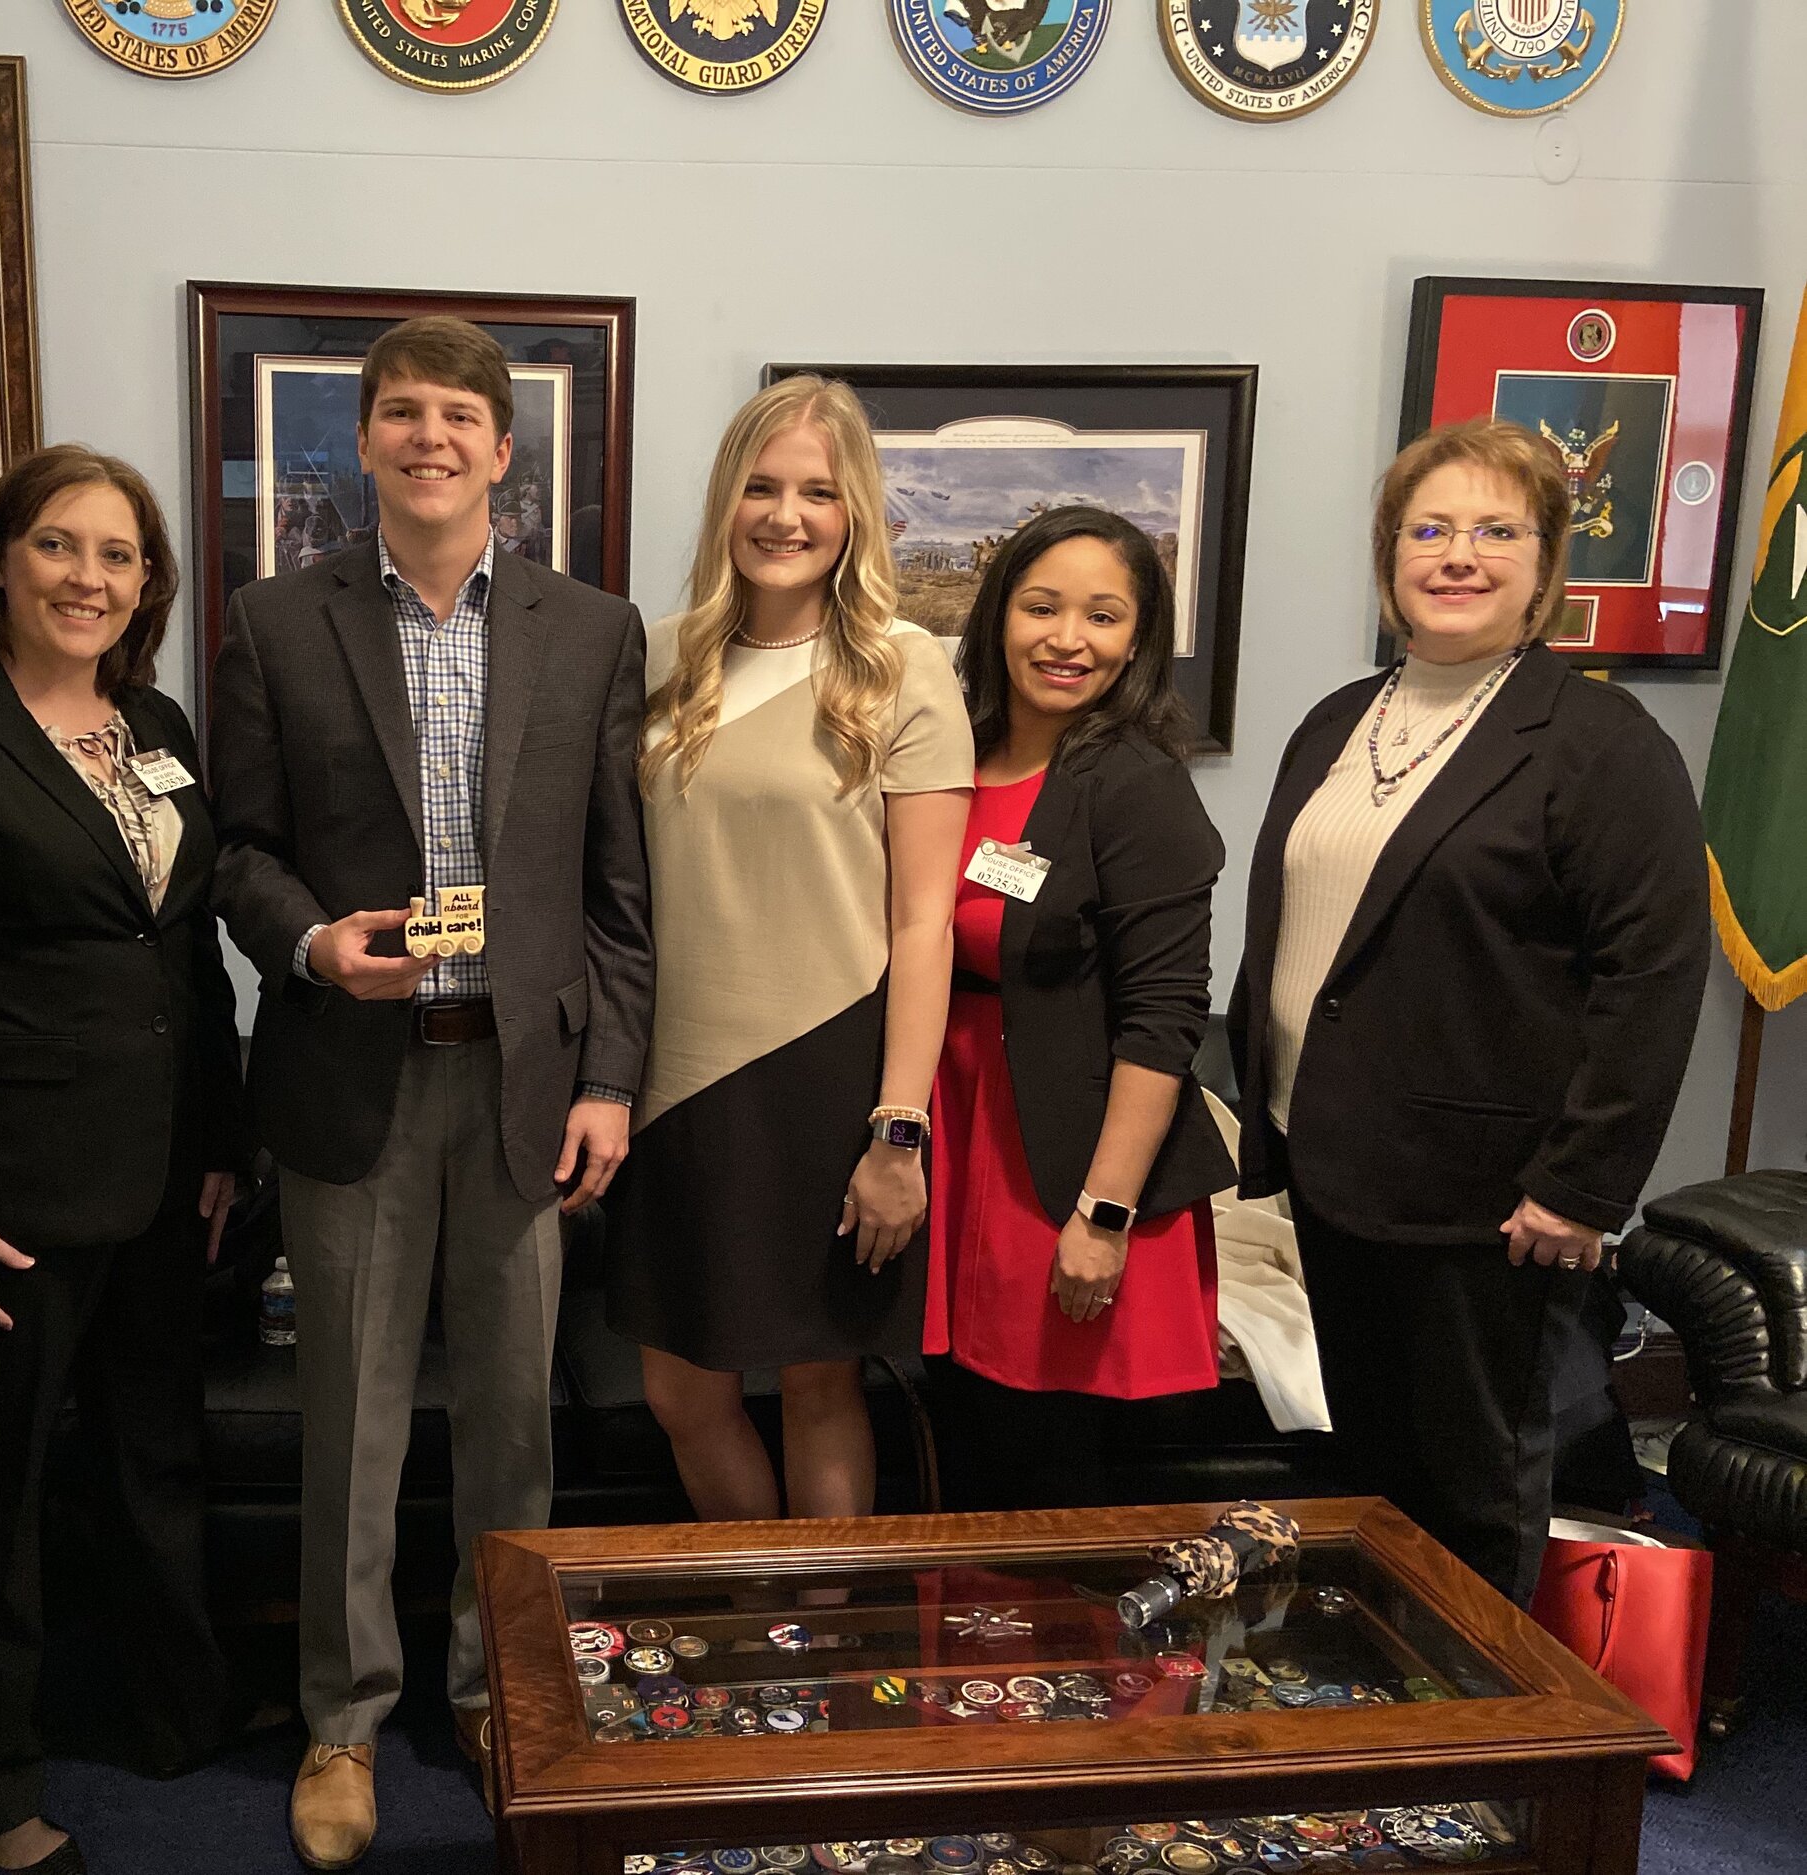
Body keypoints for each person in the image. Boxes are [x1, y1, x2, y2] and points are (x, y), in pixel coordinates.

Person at [211, 316, 653, 1869]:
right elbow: (238, 853)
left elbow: (616, 886)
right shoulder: (274, 623)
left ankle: (499, 1686)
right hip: (354, 1080)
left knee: (514, 1427)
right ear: (363, 441)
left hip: (525, 1087)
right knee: (352, 1417)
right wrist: (315, 941)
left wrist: (610, 1075)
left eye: (460, 416)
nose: (431, 439)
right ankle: (342, 1711)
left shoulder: (593, 628)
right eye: (401, 413)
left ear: (504, 447)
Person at [0, 446, 252, 1874]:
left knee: (157, 1455)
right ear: (2, 562)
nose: (90, 576)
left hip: (163, 1173)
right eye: (60, 546)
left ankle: (169, 1705)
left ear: (149, 582)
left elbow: (185, 944)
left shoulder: (157, 721)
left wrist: (223, 1135)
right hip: (13, 1182)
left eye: (120, 554)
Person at [1230, 416, 1712, 1605]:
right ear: (1389, 558)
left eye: (1496, 531)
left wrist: (1583, 1186)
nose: (1457, 554)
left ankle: (1481, 1750)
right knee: (1371, 1470)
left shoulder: (1596, 742)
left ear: (1545, 567)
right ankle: (1388, 1692)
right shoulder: (1340, 719)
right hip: (1335, 1165)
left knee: (1473, 1484)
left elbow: (1651, 973)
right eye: (1428, 529)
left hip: (1487, 1195)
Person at [603, 376, 973, 1523]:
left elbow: (924, 923)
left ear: (855, 511)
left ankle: (827, 1660)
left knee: (820, 1385)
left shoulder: (905, 669)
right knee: (677, 1390)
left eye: (817, 491)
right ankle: (761, 1620)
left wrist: (897, 1131)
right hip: (668, 1077)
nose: (785, 514)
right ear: (725, 503)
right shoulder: (657, 657)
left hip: (829, 1076)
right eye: (760, 487)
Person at [917, 505, 1238, 1512]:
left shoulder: (1135, 786)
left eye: (1103, 616)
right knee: (957, 1444)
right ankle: (963, 1669)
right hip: (948, 1129)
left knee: (1043, 1468)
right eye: (1041, 607)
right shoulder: (947, 756)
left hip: (1059, 1164)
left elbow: (1162, 1020)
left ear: (1139, 638)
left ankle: (1065, 1671)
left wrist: (1102, 1214)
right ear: (995, 616)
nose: (1066, 640)